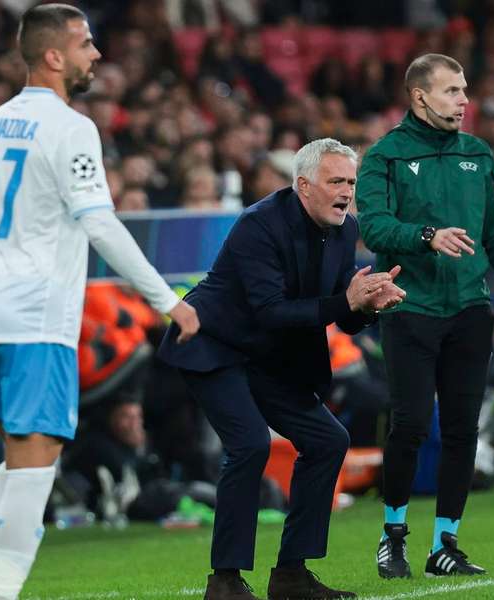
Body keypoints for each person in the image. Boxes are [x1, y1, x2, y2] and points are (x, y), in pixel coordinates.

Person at [0, 5, 199, 600]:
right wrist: (170, 301)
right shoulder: (70, 126)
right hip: (33, 314)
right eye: (86, 45)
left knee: (16, 458)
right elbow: (102, 225)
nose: (97, 55)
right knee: (37, 459)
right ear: (53, 56)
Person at [158, 137, 405, 600]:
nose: (346, 191)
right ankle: (225, 581)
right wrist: (344, 301)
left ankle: (291, 575)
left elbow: (342, 314)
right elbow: (271, 310)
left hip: (267, 354)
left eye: (351, 181)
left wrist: (368, 305)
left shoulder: (345, 229)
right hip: (214, 343)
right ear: (304, 185)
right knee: (250, 444)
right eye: (336, 181)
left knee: (328, 439)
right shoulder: (259, 224)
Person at [356, 53, 494, 579]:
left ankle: (446, 545)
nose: (465, 100)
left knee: (464, 431)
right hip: (408, 308)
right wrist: (426, 236)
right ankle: (393, 536)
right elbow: (373, 227)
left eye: (464, 90)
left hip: (469, 309)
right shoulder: (385, 156)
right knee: (411, 423)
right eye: (453, 91)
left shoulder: (478, 156)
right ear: (420, 97)